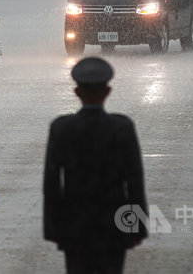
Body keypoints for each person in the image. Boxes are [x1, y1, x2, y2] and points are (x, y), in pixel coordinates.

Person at [43, 57, 147, 274]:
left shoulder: (62, 128)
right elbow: (134, 180)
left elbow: (52, 183)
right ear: (108, 91)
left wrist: (53, 227)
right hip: (114, 224)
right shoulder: (122, 128)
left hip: (75, 225)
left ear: (76, 92)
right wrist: (136, 227)